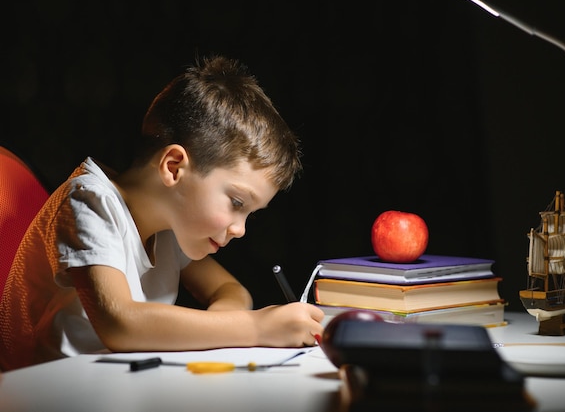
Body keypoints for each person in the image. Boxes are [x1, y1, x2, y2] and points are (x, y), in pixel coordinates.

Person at [0, 55, 324, 372]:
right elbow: (121, 324)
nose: (240, 230)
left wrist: (227, 324)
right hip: (40, 394)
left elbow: (231, 291)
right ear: (174, 167)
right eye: (237, 203)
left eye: (250, 214)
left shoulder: (170, 225)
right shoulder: (89, 201)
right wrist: (254, 327)